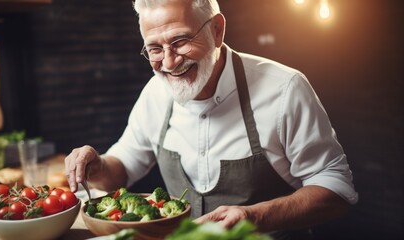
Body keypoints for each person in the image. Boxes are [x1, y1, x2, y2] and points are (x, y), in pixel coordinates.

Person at [65, 0, 358, 238]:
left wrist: (253, 217)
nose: (169, 62)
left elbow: (337, 189)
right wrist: (97, 165)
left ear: (217, 30)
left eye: (180, 40)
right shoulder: (155, 93)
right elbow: (123, 166)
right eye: (154, 48)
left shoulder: (284, 89)